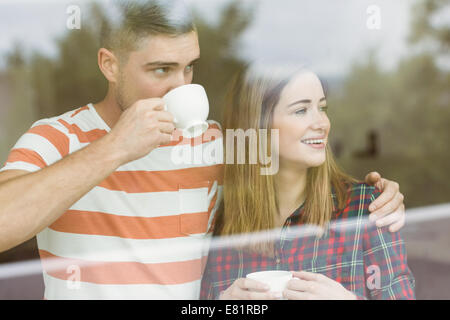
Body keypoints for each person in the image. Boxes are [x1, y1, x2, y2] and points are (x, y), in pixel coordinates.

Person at [0, 1, 405, 299]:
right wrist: (115, 148)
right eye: (161, 70)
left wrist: (380, 194)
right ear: (110, 65)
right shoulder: (57, 139)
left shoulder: (212, 146)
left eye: (188, 67)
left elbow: (298, 155)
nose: (181, 86)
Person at [200, 64, 415, 300]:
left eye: (322, 107)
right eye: (301, 110)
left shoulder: (367, 208)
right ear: (258, 126)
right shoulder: (218, 226)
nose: (322, 123)